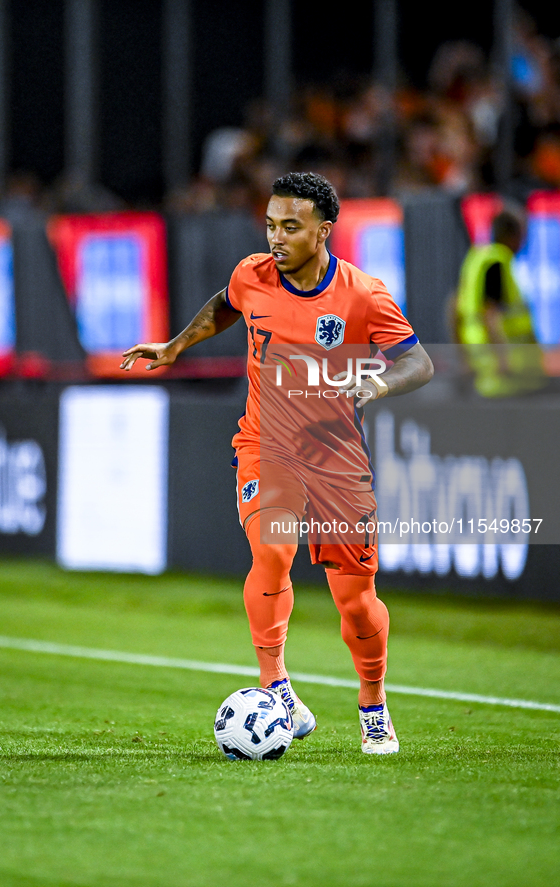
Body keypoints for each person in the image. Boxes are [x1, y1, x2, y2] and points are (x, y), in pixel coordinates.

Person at [120, 172, 434, 754]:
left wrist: (380, 385)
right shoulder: (252, 274)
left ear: (324, 231)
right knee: (272, 548)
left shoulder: (364, 295)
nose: (276, 237)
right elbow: (226, 305)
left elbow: (418, 363)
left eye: (291, 226)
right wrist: (175, 346)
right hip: (266, 445)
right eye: (270, 224)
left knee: (355, 599)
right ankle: (278, 688)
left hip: (336, 461)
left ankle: (373, 704)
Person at [456, 207, 546, 397]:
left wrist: (463, 357)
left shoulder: (476, 258)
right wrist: (502, 358)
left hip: (485, 367)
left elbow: (454, 307)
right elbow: (491, 314)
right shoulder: (496, 261)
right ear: (512, 234)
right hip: (504, 372)